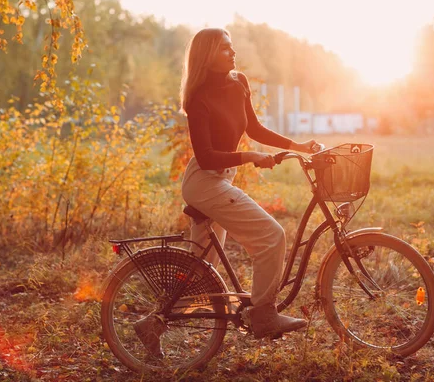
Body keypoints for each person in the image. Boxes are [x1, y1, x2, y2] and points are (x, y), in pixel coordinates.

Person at [135, 27, 321, 357]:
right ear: (207, 56)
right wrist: (250, 156)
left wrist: (299, 146)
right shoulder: (198, 99)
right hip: (205, 182)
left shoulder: (239, 83)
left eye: (232, 47)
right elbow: (205, 157)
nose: (232, 53)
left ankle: (152, 325)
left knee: (200, 274)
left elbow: (255, 128)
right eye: (225, 49)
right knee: (271, 236)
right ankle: (264, 314)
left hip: (221, 181)